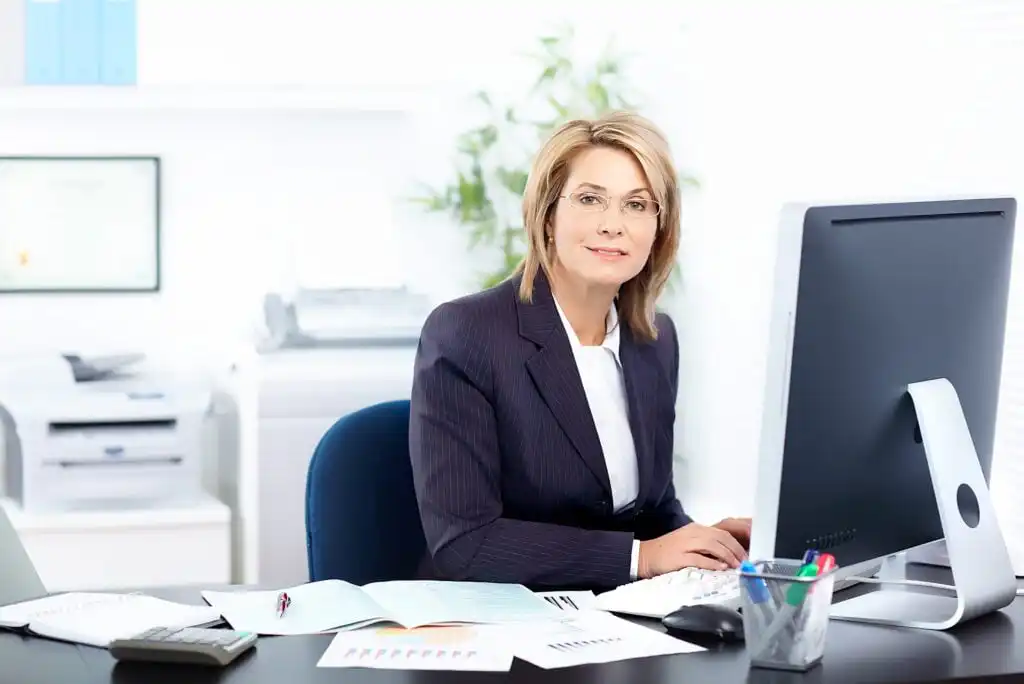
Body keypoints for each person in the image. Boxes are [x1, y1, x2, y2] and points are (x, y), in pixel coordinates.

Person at [409, 111, 751, 590]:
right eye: (590, 200)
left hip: (613, 624)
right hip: (498, 629)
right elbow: (464, 544)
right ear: (547, 215)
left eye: (637, 205)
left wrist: (708, 545)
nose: (613, 225)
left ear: (659, 228)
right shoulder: (466, 333)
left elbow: (651, 511)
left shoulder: (655, 340)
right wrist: (643, 558)